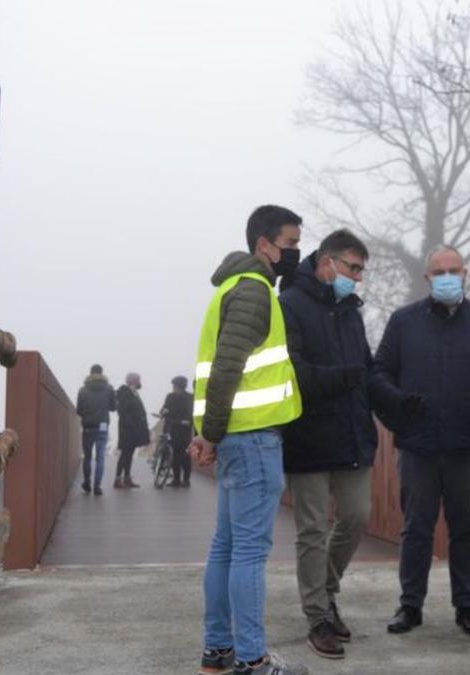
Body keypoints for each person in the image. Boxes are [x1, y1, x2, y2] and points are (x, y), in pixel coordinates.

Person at [188, 205, 310, 675]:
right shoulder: (254, 291)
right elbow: (225, 371)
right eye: (291, 244)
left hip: (236, 436)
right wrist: (210, 435)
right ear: (264, 245)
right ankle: (253, 660)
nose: (294, 253)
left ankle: (219, 650)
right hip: (253, 438)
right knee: (249, 552)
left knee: (226, 546)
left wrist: (207, 433)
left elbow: (217, 370)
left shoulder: (229, 289)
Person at [372, 244, 470, 638]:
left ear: (465, 274)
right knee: (416, 529)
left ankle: (466, 606)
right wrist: (397, 408)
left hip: (468, 446)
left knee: (466, 530)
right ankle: (409, 605)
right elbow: (379, 373)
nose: (447, 277)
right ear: (428, 278)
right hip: (418, 446)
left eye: (454, 270)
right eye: (439, 272)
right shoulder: (403, 322)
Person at [279, 229, 379, 660]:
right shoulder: (290, 306)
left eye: (361, 270)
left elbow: (368, 371)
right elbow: (293, 372)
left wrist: (399, 406)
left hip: (352, 434)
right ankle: (317, 615)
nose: (357, 278)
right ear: (327, 263)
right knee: (313, 529)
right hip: (308, 435)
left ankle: (327, 591)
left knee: (357, 516)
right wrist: (344, 377)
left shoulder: (351, 312)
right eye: (352, 268)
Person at [75, 364, 116, 496]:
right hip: (102, 426)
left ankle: (87, 483)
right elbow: (113, 407)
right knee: (100, 458)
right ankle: (97, 486)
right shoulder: (109, 389)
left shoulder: (82, 390)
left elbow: (79, 411)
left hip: (87, 426)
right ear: (102, 373)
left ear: (90, 373)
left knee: (87, 457)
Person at [115, 372, 150, 488]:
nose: (139, 382)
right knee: (125, 453)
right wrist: (132, 425)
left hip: (134, 429)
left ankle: (127, 478)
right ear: (132, 381)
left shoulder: (134, 393)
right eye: (137, 380)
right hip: (128, 429)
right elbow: (123, 410)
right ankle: (118, 479)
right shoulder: (125, 392)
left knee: (129, 454)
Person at [160, 375, 194, 487]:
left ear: (181, 387)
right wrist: (163, 411)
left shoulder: (190, 398)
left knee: (184, 454)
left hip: (184, 429)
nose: (173, 388)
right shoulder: (170, 397)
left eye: (175, 386)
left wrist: (188, 421)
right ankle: (176, 479)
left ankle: (186, 479)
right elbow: (164, 408)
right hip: (171, 428)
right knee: (174, 454)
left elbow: (192, 414)